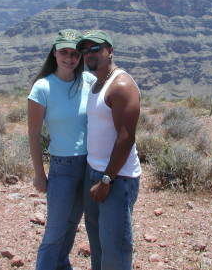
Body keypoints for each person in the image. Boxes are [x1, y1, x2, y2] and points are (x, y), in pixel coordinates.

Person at [28, 29, 96, 270]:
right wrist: (39, 174)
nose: (70, 58)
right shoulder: (42, 88)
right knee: (55, 231)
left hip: (90, 166)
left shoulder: (88, 81)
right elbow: (34, 135)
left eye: (75, 53)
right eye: (64, 52)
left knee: (71, 227)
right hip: (62, 167)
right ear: (54, 54)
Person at [76, 30, 141, 270]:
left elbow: (126, 138)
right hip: (94, 173)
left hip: (116, 178)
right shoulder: (97, 83)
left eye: (95, 49)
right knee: (98, 243)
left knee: (115, 248)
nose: (89, 54)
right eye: (85, 50)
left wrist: (107, 179)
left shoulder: (121, 85)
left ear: (110, 51)